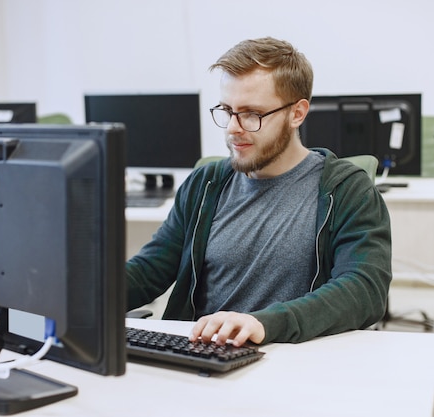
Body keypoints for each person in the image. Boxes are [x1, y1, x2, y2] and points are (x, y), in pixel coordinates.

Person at [125, 37, 391, 347]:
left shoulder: (346, 190)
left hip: (296, 362)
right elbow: (150, 270)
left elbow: (364, 290)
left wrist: (263, 324)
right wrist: (79, 290)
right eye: (227, 110)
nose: (233, 128)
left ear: (297, 113)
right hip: (204, 358)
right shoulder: (205, 185)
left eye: (252, 114)